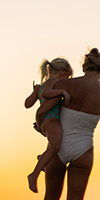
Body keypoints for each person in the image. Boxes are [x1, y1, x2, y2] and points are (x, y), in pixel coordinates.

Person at [36, 48, 100, 200]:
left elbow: (43, 109)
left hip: (59, 148)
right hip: (84, 150)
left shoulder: (67, 84)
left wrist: (41, 127)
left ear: (84, 66)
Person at [24, 58, 74, 193]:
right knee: (55, 146)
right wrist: (62, 92)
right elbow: (47, 94)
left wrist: (34, 92)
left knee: (54, 146)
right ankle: (34, 174)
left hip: (45, 122)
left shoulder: (40, 87)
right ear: (63, 74)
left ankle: (43, 160)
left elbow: (27, 104)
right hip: (52, 120)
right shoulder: (55, 83)